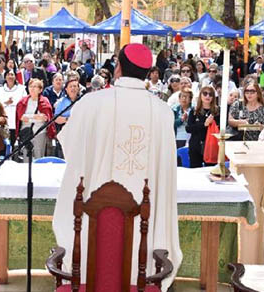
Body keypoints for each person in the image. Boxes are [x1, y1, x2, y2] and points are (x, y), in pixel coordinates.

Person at [53, 43, 182, 289]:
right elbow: (166, 170)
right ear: (148, 72)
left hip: (93, 213)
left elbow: (71, 147)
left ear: (118, 68)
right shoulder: (162, 112)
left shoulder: (90, 103)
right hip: (146, 212)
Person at [15, 79, 55, 160]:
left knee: (39, 157)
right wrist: (35, 116)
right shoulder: (23, 101)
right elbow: (22, 117)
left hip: (39, 133)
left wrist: (29, 117)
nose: (32, 89)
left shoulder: (44, 101)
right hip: (26, 133)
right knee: (26, 157)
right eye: (30, 86)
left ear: (40, 90)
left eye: (35, 87)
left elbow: (44, 118)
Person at [187, 86, 220, 168]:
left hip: (211, 146)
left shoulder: (217, 111)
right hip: (196, 146)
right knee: (195, 173)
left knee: (211, 171)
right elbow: (188, 128)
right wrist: (204, 124)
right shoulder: (194, 111)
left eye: (210, 94)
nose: (207, 96)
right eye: (205, 93)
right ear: (200, 95)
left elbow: (221, 129)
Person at [0, 69, 27, 145]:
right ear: (5, 77)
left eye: (12, 74)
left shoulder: (22, 89)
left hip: (17, 119)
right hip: (4, 119)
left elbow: (25, 102)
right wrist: (6, 102)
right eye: (8, 75)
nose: (10, 76)